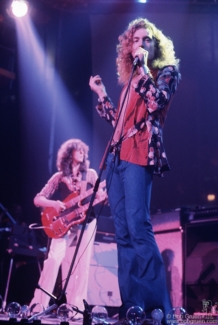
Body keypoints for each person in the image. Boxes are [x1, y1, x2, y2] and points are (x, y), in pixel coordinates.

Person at [89, 18, 181, 323]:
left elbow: (157, 102)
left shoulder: (164, 72)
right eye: (135, 40)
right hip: (116, 158)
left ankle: (158, 307)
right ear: (128, 47)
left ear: (155, 45)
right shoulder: (129, 81)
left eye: (147, 39)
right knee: (123, 232)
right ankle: (132, 305)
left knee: (139, 226)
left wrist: (142, 68)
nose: (140, 44)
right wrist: (102, 94)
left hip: (140, 152)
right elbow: (118, 123)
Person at [30, 139, 105, 313]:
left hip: (87, 222)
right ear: (69, 153)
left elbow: (100, 197)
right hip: (64, 224)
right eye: (78, 150)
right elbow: (38, 199)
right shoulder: (59, 177)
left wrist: (103, 196)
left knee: (81, 265)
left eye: (83, 150)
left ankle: (76, 308)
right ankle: (38, 304)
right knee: (53, 259)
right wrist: (54, 204)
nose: (82, 152)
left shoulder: (91, 174)